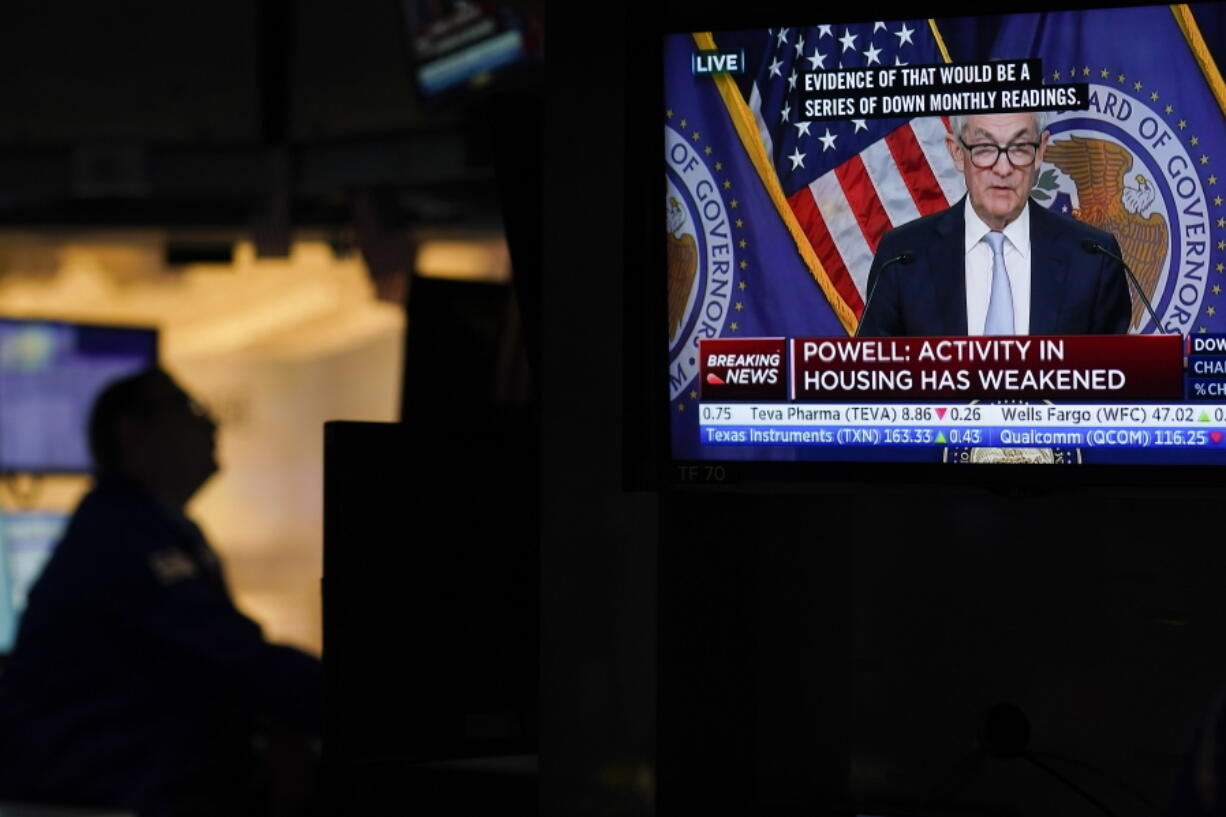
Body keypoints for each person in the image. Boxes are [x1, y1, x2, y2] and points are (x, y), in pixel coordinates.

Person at [0, 368, 322, 817]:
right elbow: (228, 655)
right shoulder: (123, 536)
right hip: (103, 786)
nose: (211, 425)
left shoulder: (151, 527)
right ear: (134, 431)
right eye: (189, 410)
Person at [857, 111, 1132, 337]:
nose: (1003, 168)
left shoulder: (1093, 257)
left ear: (1040, 152)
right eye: (985, 148)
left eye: (1020, 148)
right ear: (956, 152)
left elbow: (1117, 387)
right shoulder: (902, 257)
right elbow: (872, 384)